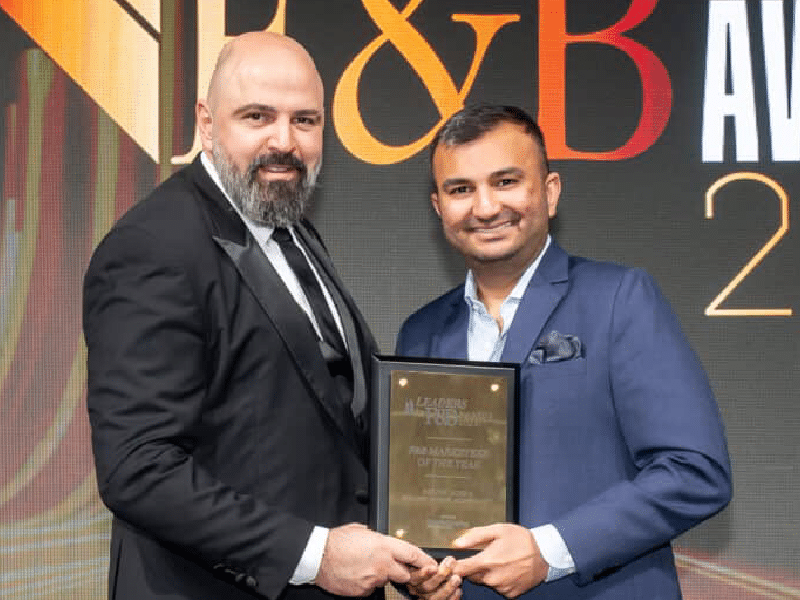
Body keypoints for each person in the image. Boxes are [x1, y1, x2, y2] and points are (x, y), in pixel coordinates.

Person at [83, 31, 436, 600]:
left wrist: (419, 541)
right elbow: (138, 468)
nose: (284, 141)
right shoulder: (155, 245)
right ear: (206, 123)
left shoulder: (289, 227)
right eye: (257, 116)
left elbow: (331, 416)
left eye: (305, 120)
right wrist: (314, 556)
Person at [397, 104, 732, 600]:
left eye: (506, 182)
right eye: (460, 189)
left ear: (550, 192)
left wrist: (551, 551)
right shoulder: (421, 332)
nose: (485, 207)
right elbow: (420, 499)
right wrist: (423, 576)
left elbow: (695, 471)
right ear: (438, 206)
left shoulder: (618, 298)